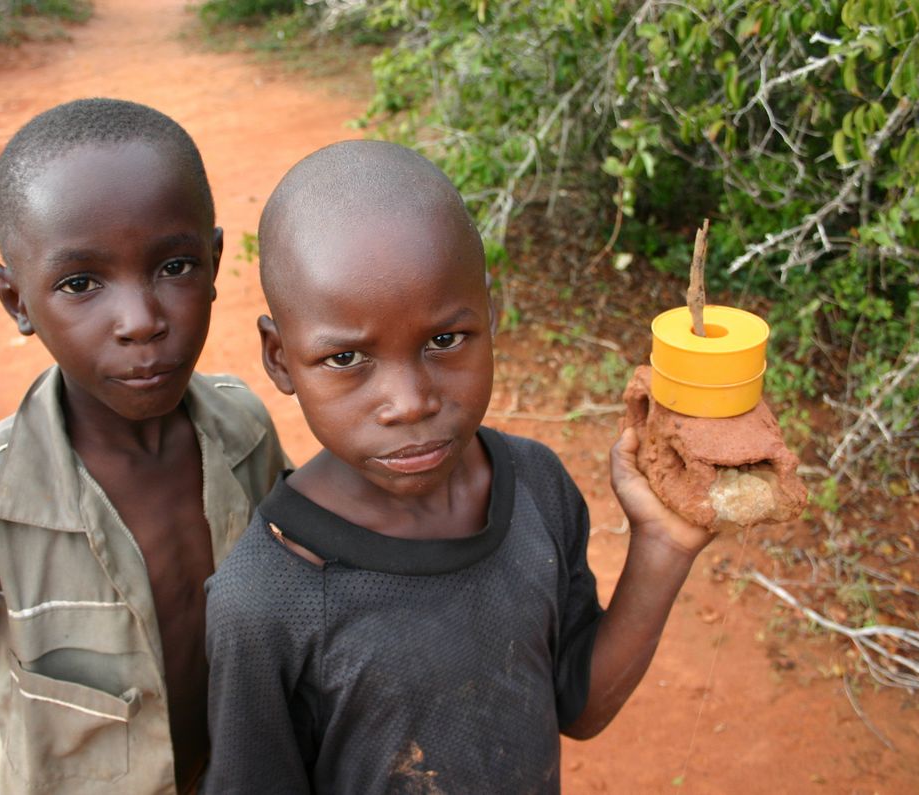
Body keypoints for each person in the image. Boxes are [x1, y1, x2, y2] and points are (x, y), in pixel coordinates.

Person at [204, 140, 712, 794]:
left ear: (490, 314)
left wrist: (664, 546)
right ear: (280, 358)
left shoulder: (535, 485)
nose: (411, 402)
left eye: (444, 340)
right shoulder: (264, 598)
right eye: (347, 358)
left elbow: (577, 705)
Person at [0, 98, 286, 795]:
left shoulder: (246, 431)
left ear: (217, 261)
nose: (141, 321)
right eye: (80, 283)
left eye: (175, 266)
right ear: (16, 300)